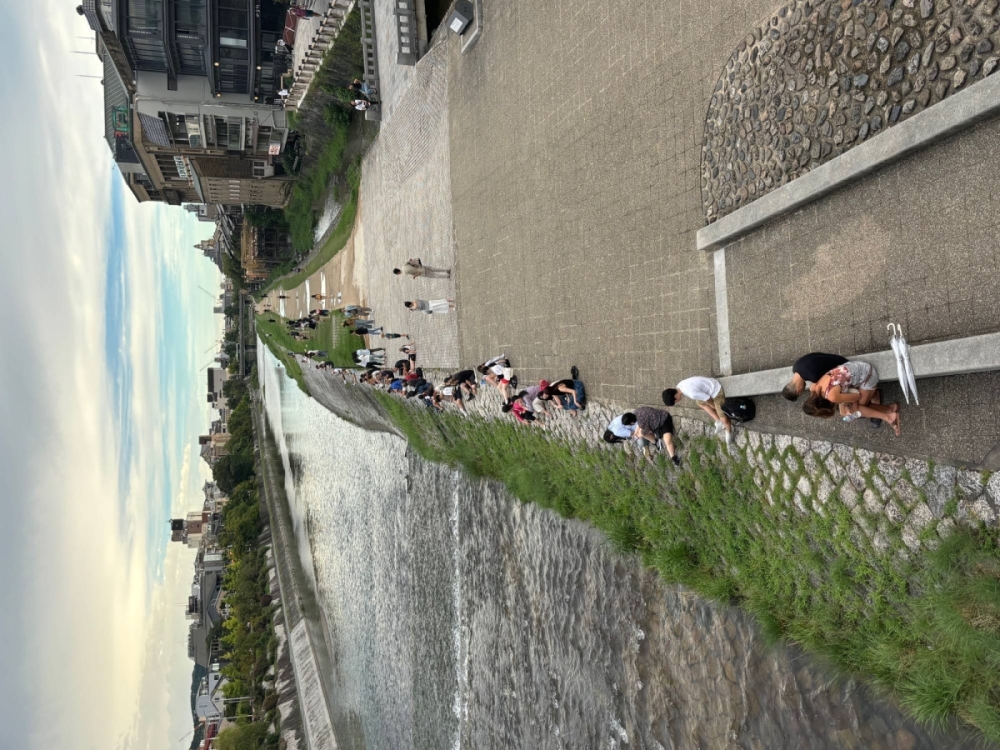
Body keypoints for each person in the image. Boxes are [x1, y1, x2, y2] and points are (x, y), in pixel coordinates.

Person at [805, 361, 901, 435]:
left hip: (868, 374)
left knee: (858, 409)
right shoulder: (814, 388)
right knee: (844, 413)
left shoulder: (832, 397)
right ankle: (888, 409)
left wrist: (848, 406)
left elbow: (857, 396)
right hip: (853, 367)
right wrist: (846, 407)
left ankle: (888, 415)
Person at [662, 376, 735, 451]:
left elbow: (708, 398)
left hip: (717, 391)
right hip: (710, 384)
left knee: (723, 418)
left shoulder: (691, 393)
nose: (677, 402)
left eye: (675, 401)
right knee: (699, 402)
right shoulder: (679, 385)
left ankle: (729, 431)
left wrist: (713, 406)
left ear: (675, 396)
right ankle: (718, 420)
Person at [782, 352, 848, 401]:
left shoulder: (814, 376)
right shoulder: (795, 367)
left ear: (798, 391)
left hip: (844, 364)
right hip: (835, 357)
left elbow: (831, 381)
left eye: (801, 392)